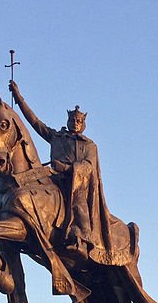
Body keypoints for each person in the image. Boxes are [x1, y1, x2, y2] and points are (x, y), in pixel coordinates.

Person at [8, 80, 126, 265]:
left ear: (83, 123)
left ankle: (81, 241)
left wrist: (68, 168)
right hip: (53, 180)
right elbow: (35, 122)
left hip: (75, 184)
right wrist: (18, 97)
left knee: (78, 205)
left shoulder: (89, 145)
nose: (75, 123)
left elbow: (88, 166)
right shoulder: (56, 137)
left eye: (79, 121)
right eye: (72, 120)